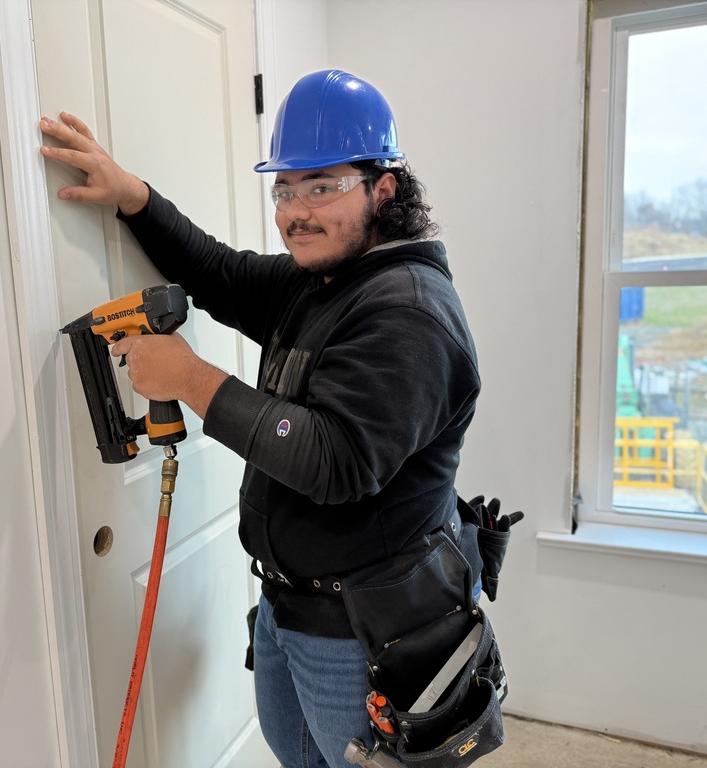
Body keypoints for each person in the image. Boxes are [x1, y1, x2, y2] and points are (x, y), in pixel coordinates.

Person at [40, 69, 482, 768]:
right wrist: (134, 198)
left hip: (363, 634)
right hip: (292, 611)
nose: (296, 211)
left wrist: (189, 378)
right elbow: (221, 273)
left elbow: (334, 461)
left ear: (384, 188)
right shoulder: (327, 280)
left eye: (322, 186)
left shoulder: (405, 313)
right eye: (284, 188)